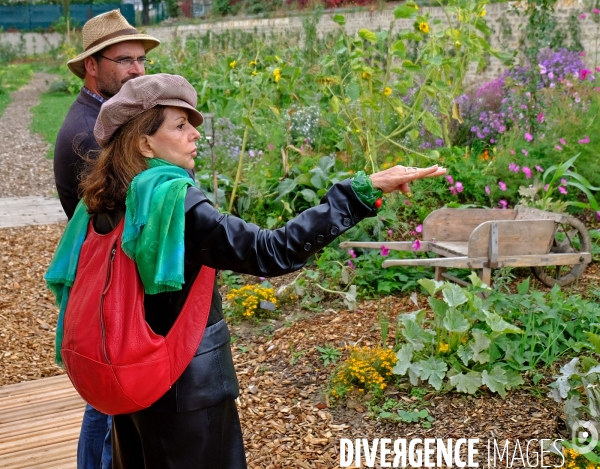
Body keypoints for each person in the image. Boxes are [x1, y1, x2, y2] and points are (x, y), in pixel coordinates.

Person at [48, 74, 446, 469]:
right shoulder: (173, 202)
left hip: (130, 381)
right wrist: (360, 191)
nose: (195, 135)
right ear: (143, 141)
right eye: (180, 125)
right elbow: (271, 251)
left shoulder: (103, 200)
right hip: (187, 389)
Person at [53, 9, 160, 469]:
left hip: (105, 277)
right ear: (92, 66)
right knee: (107, 396)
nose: (137, 70)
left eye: (141, 59)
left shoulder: (106, 119)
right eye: (124, 60)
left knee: (106, 396)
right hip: (105, 284)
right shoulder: (88, 136)